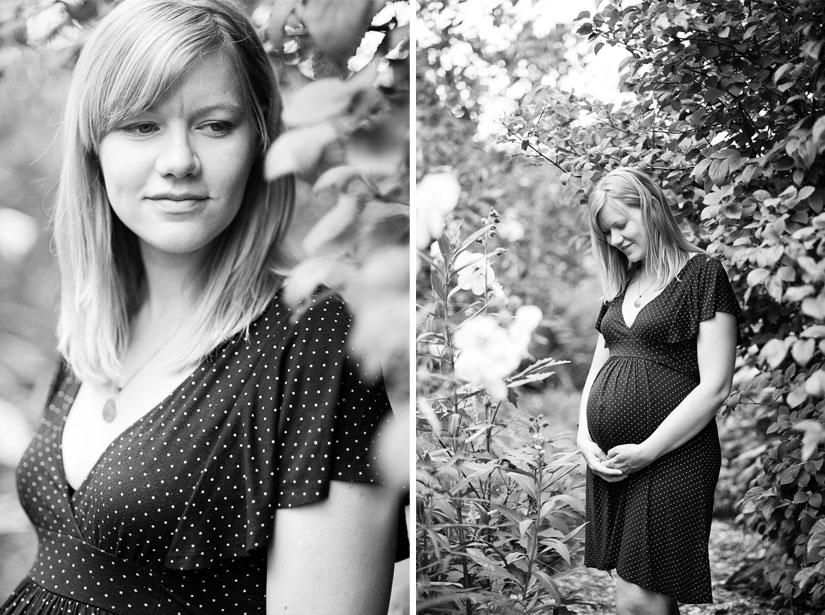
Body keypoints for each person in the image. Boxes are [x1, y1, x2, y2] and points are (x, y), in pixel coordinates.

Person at [0, 1, 403, 613]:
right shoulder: (92, 321)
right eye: (141, 125)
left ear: (260, 141)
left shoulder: (314, 338)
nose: (179, 160)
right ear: (94, 147)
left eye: (215, 125)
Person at [577, 167, 741, 615]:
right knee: (635, 594)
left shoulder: (702, 273)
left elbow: (716, 386)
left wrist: (647, 450)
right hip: (615, 462)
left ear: (648, 207)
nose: (614, 240)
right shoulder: (620, 285)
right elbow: (600, 365)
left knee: (639, 596)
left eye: (620, 225)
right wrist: (583, 438)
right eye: (606, 232)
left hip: (674, 455)